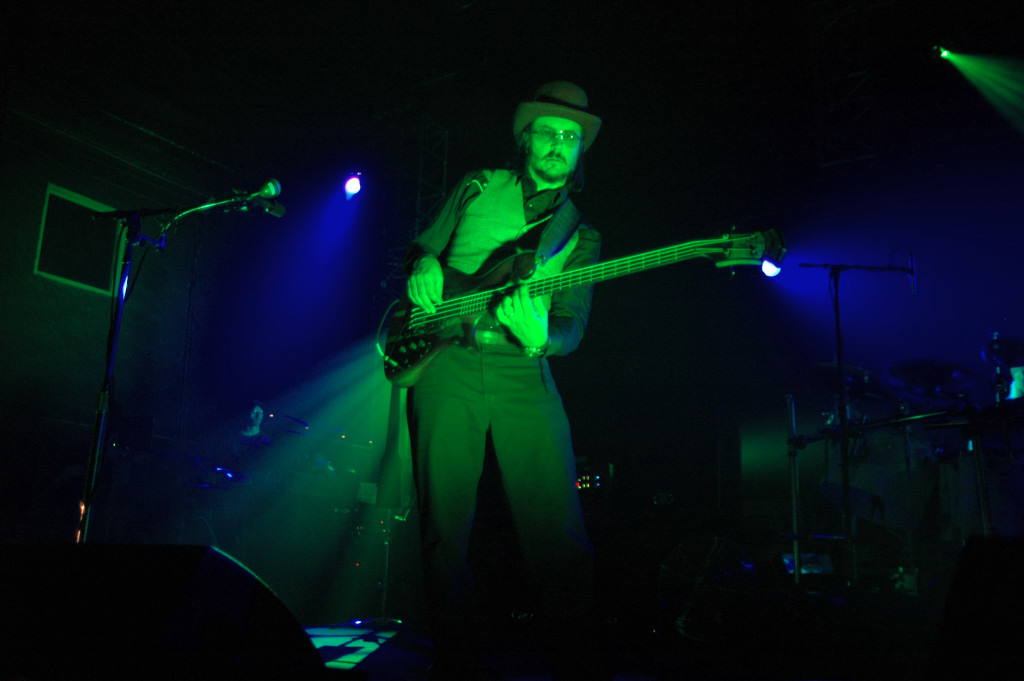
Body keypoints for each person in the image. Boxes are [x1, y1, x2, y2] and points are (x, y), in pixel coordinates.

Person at [401, 81, 607, 680]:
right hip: (446, 362)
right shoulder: (476, 185)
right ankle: (455, 664)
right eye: (547, 132)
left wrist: (542, 335)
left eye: (570, 137)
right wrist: (422, 264)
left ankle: (580, 666)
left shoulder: (580, 234)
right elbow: (421, 249)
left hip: (523, 369)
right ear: (525, 139)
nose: (559, 144)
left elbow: (572, 326)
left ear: (579, 151)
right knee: (444, 527)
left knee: (557, 526)